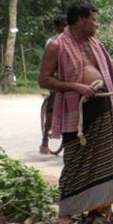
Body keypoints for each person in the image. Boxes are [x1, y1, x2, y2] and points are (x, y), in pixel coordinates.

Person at [38, 1, 113, 224]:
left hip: (101, 108)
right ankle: (66, 212)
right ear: (81, 20)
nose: (97, 24)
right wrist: (77, 87)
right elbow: (43, 79)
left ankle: (97, 208)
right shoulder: (57, 45)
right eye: (94, 20)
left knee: (103, 160)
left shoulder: (95, 44)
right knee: (75, 160)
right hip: (78, 111)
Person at [40, 15, 68, 154]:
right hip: (56, 77)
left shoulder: (73, 40)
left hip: (69, 77)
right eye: (62, 26)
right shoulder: (52, 42)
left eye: (66, 25)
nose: (64, 28)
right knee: (52, 106)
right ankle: (45, 140)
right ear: (57, 28)